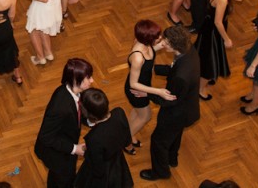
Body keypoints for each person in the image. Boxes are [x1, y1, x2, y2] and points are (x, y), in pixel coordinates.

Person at [139, 25, 200, 181]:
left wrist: (147, 93)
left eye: (166, 42)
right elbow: (174, 69)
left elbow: (169, 99)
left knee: (158, 141)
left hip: (176, 113)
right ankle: (172, 158)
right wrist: (156, 69)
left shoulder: (181, 77)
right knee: (175, 134)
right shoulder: (189, 50)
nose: (163, 43)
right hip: (187, 108)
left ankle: (161, 172)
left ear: (175, 45)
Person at [34, 57, 94, 188]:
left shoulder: (75, 92)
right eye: (88, 77)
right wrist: (74, 149)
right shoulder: (60, 107)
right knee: (64, 180)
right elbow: (46, 137)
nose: (92, 80)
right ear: (76, 79)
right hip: (56, 153)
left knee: (57, 178)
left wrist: (91, 121)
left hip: (65, 144)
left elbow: (78, 111)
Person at [123, 19, 175, 155]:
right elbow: (133, 84)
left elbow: (150, 52)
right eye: (157, 36)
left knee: (137, 112)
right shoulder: (137, 58)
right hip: (136, 90)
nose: (160, 37)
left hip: (144, 86)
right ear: (148, 38)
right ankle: (125, 141)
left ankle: (127, 133)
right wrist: (158, 91)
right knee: (145, 116)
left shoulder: (144, 43)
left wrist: (161, 45)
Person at [195, 0, 240, 100]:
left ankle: (201, 80)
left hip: (207, 25)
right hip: (214, 32)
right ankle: (200, 89)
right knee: (209, 62)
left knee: (203, 54)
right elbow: (218, 22)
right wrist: (227, 39)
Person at [74, 88, 134, 188]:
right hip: (118, 161)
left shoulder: (93, 138)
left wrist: (86, 151)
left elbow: (98, 169)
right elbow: (126, 136)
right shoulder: (119, 112)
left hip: (105, 173)